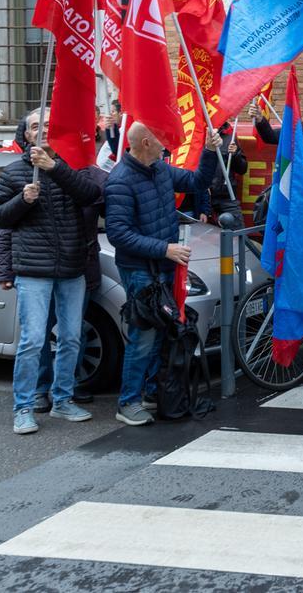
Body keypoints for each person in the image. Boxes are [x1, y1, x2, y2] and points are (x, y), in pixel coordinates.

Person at [0, 109, 102, 434]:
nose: (43, 130)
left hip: (71, 266)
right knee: (33, 340)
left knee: (70, 337)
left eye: (49, 125)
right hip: (33, 270)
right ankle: (23, 408)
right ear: (25, 135)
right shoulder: (12, 173)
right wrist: (22, 201)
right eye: (36, 126)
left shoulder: (71, 166)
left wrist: (56, 168)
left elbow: (91, 195)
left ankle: (63, 400)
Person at [104, 121, 219, 425]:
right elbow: (118, 233)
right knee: (143, 335)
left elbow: (197, 181)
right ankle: (128, 402)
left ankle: (154, 392)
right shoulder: (120, 180)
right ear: (144, 142)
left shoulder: (161, 170)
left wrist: (208, 151)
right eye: (161, 137)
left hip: (162, 267)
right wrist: (164, 249)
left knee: (161, 335)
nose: (166, 142)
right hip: (140, 269)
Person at [195, 123, 248, 223]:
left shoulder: (230, 139)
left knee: (237, 233)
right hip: (199, 198)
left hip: (226, 197)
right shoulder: (195, 138)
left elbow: (242, 169)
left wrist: (236, 154)